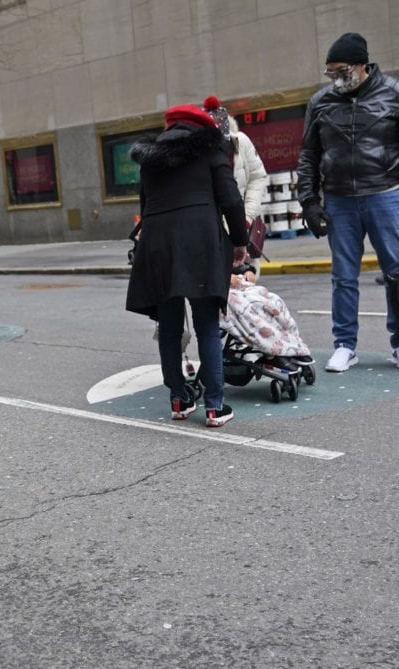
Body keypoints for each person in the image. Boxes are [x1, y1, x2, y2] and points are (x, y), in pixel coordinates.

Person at [296, 32, 399, 372]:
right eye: (330, 73)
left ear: (362, 66)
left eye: (341, 71)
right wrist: (309, 202)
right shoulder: (321, 102)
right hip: (340, 199)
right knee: (342, 276)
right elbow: (308, 155)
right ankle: (345, 345)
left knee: (395, 273)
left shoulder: (397, 93)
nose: (335, 79)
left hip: (388, 193)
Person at [126, 104, 248, 428]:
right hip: (199, 243)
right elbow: (232, 201)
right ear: (202, 127)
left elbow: (145, 205)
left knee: (169, 325)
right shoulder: (210, 150)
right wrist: (240, 242)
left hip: (157, 245)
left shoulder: (150, 158)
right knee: (206, 322)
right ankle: (214, 405)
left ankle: (178, 398)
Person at [202, 96, 269, 273]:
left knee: (247, 281)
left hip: (243, 227)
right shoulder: (200, 151)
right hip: (212, 232)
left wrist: (245, 218)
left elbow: (257, 177)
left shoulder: (240, 142)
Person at [224, 264, 313, 366]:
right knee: (248, 309)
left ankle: (294, 345)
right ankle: (273, 350)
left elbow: (230, 261)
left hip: (235, 287)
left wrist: (246, 270)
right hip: (219, 293)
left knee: (273, 300)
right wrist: (224, 277)